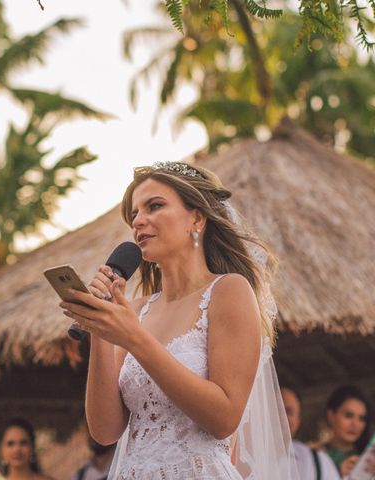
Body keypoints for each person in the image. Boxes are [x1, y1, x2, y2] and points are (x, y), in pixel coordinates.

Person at [59, 161, 298, 479]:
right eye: (134, 214)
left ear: (196, 218)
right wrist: (101, 328)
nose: (139, 221)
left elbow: (224, 418)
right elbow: (105, 431)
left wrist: (134, 339)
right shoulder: (138, 309)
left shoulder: (228, 291)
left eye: (154, 206)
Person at [281, 386, 340, 480]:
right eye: (274, 409)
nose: (281, 416)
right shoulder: (249, 458)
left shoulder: (319, 461)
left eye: (289, 412)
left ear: (298, 421)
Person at [321, 385, 373, 478]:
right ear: (331, 415)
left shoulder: (367, 459)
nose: (355, 424)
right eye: (348, 415)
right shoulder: (315, 455)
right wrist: (337, 474)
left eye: (362, 418)